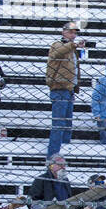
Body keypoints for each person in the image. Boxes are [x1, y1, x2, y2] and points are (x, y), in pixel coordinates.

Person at [45, 22, 84, 158]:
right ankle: (53, 156)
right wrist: (73, 45)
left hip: (68, 89)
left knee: (67, 124)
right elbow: (57, 53)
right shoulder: (57, 45)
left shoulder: (71, 50)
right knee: (59, 124)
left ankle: (62, 154)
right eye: (71, 32)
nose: (73, 35)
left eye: (75, 33)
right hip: (60, 88)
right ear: (64, 32)